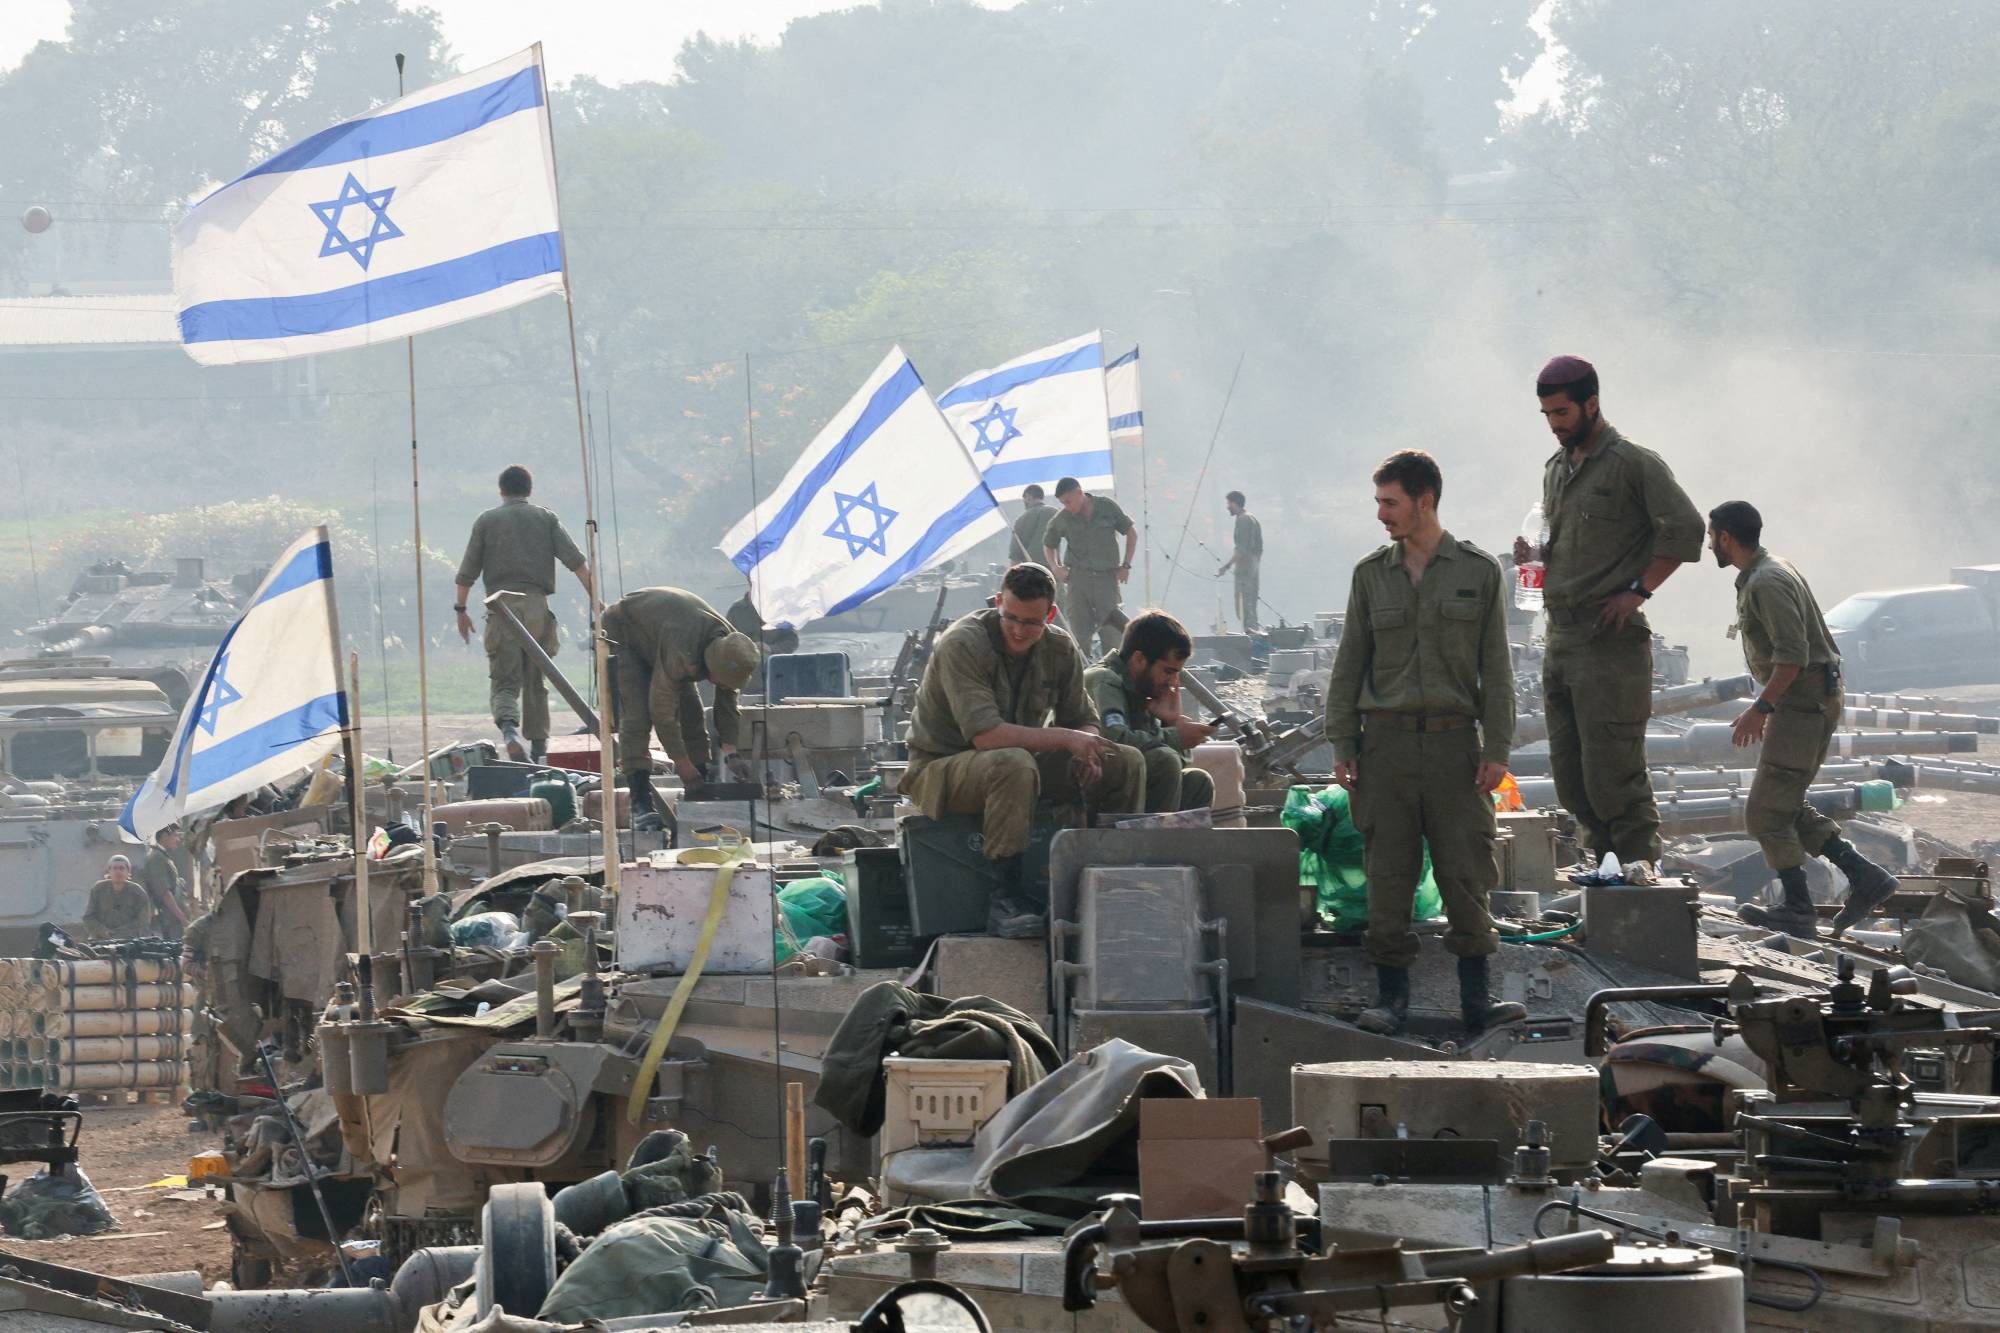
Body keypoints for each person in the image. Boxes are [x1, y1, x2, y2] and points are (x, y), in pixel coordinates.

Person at [1325, 450, 1526, 1036]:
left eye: (1390, 503)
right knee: (1388, 875)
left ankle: (1476, 1001)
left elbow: (1497, 669)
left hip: (1453, 748)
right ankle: (1391, 1000)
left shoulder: (1478, 572)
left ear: (1425, 501)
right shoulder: (1370, 575)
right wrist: (1344, 741)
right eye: (1379, 502)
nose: (1381, 514)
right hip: (1384, 748)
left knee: (1466, 871)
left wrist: (1497, 749)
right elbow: (1350, 662)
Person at [1514, 356, 1702, 885]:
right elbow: (1563, 540)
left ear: (1591, 403)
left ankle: (1638, 865)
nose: (1554, 424)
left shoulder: (1632, 464)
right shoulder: (1556, 469)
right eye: (1547, 414)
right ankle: (1603, 863)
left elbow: (1686, 529)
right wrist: (1536, 555)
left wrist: (1637, 591)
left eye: (1562, 412)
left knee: (1613, 767)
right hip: (1561, 635)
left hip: (1608, 639)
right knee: (1571, 771)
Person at [902, 562, 1146, 936]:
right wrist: (1067, 739)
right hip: (940, 769)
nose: (1018, 630)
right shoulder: (962, 644)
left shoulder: (1058, 648)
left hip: (1016, 765)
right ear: (998, 602)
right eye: (1010, 617)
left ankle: (1113, 880)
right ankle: (1005, 898)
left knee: (1123, 760)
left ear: (1050, 615)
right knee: (1012, 763)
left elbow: (1083, 718)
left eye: (1031, 622)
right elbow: (986, 736)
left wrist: (1085, 747)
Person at [1707, 502, 1899, 937]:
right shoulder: (1768, 570)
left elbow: (1792, 657)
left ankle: (1797, 909)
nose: (1709, 545)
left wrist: (1761, 708)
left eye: (1711, 536)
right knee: (1784, 803)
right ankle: (1865, 876)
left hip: (1803, 702)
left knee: (1764, 814)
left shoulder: (1767, 581)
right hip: (1804, 701)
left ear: (1726, 538)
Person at [454, 465, 595, 762]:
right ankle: (540, 750)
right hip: (536, 607)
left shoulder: (486, 521)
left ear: (501, 490)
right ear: (529, 490)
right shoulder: (545, 518)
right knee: (536, 682)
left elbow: (467, 573)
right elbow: (577, 563)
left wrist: (461, 610)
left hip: (501, 607)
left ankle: (509, 732)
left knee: (504, 681)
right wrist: (597, 602)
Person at [602, 587, 762, 824]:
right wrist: (682, 763)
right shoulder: (682, 652)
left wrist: (731, 753)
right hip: (626, 631)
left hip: (667, 635)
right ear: (711, 666)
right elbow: (662, 713)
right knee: (637, 716)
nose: (721, 685)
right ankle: (640, 803)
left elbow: (728, 699)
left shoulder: (733, 647)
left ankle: (699, 785)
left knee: (692, 712)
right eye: (720, 680)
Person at [1083, 611, 1217, 813]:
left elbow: (1176, 765)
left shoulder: (1141, 687)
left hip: (1127, 782)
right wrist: (1175, 736)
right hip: (1091, 783)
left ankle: (1170, 833)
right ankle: (1153, 833)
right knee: (1164, 760)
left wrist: (1169, 721)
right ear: (1140, 659)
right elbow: (1113, 741)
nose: (1172, 682)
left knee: (1198, 783)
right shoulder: (1105, 680)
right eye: (1168, 671)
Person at [1041, 477, 1137, 656]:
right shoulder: (1063, 518)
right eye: (1063, 503)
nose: (1067, 506)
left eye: (1068, 501)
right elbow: (1048, 543)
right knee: (1079, 633)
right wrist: (1056, 567)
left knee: (1112, 631)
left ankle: (1112, 669)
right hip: (1078, 580)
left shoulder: (1106, 507)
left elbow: (1131, 532)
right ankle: (1082, 669)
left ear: (1079, 493)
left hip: (1106, 579)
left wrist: (1126, 565)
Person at [1217, 490, 1264, 633]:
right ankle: (1253, 634)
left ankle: (1251, 636)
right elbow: (1260, 548)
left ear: (1236, 503)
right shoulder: (1252, 518)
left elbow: (1241, 550)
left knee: (1243, 607)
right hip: (1253, 567)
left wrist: (1226, 566)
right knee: (1251, 605)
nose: (1228, 507)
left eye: (1229, 503)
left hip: (1244, 568)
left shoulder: (1243, 520)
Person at [82, 854, 155, 940]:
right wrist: (101, 931)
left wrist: (120, 933)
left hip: (129, 939)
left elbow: (143, 921)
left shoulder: (138, 893)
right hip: (101, 938)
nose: (118, 872)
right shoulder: (98, 889)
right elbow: (88, 917)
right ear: (109, 871)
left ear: (128, 872)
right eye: (115, 868)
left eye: (122, 868)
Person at [141, 824, 191, 941]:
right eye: (175, 835)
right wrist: (183, 918)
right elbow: (164, 893)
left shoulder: (162, 856)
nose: (178, 840)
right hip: (168, 919)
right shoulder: (156, 858)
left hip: (172, 919)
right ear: (164, 836)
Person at [1008, 484, 1058, 565]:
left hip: (1032, 570)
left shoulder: (1021, 520)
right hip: (1053, 568)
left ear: (1028, 497)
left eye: (1024, 499)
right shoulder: (1056, 513)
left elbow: (1015, 555)